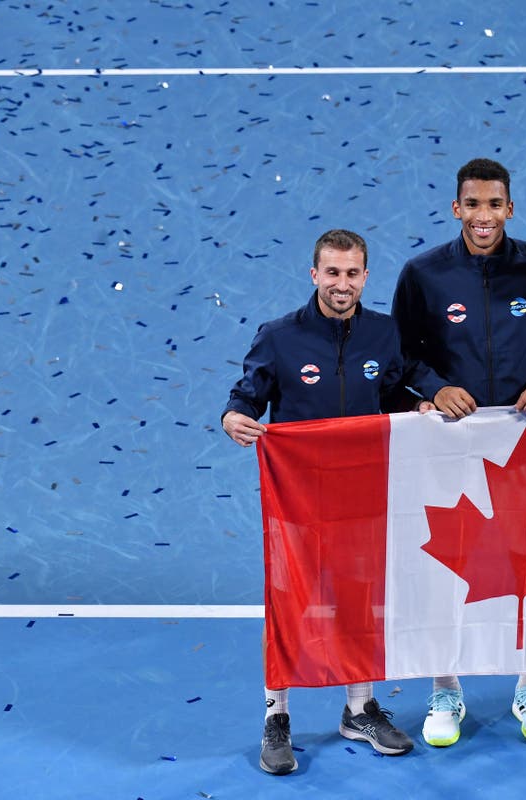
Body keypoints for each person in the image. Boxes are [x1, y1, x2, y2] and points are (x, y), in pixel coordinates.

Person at [222, 229, 419, 775]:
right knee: (291, 602)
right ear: (314, 275)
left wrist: (420, 409)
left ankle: (359, 708)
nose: (342, 283)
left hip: (363, 495)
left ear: (365, 276)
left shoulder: (383, 334)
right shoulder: (279, 337)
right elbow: (248, 396)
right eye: (332, 272)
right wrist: (232, 417)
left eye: (352, 273)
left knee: (361, 600)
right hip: (299, 499)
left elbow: (397, 392)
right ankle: (276, 715)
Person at [391, 157, 526, 747]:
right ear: (456, 208)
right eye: (473, 204)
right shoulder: (423, 275)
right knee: (449, 559)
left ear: (510, 208)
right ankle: (445, 687)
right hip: (452, 439)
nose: (484, 215)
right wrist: (435, 388)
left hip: (524, 438)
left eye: (494, 204)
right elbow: (403, 352)